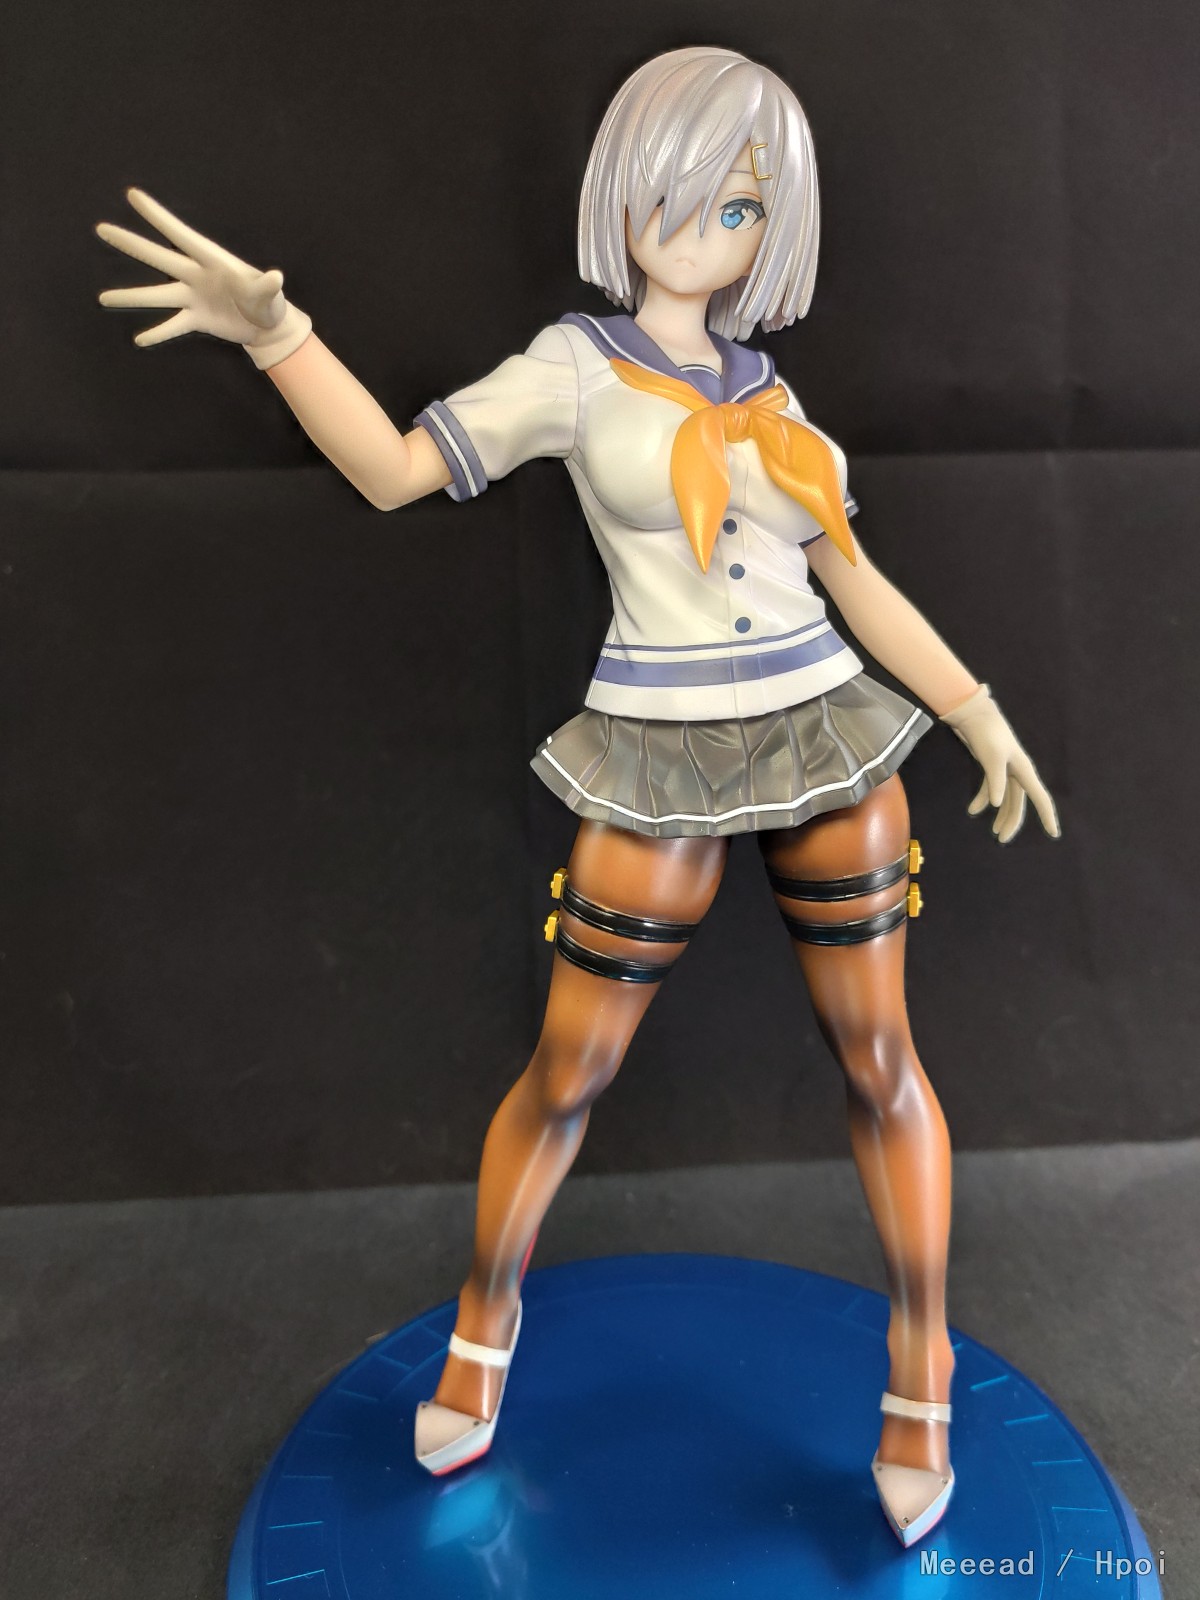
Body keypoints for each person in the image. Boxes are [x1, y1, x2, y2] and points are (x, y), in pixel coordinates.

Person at [96, 44, 1059, 1548]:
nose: (706, 230)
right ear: (628, 190)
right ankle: (483, 1334)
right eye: (684, 193)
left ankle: (919, 1370)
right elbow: (395, 471)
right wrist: (279, 332)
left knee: (884, 1061)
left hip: (825, 730)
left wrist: (977, 711)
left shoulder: (772, 389)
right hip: (659, 742)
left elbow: (854, 577)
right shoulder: (574, 366)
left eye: (742, 207)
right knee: (569, 1065)